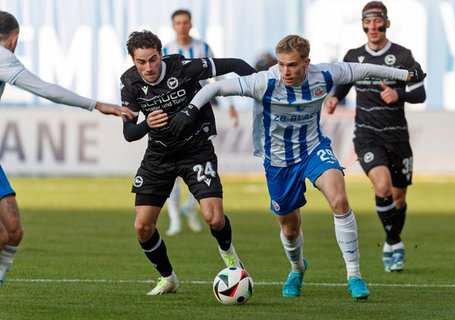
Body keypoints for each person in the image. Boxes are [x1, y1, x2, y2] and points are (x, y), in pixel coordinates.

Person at [169, 34, 425, 300]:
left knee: (339, 199)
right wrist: (190, 109)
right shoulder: (264, 81)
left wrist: (404, 74)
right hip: (278, 161)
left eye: (291, 65)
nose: (285, 71)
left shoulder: (323, 74)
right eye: (281, 64)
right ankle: (297, 268)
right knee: (290, 229)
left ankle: (354, 276)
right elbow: (214, 89)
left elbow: (361, 70)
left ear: (307, 62)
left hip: (314, 149)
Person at [0, 11, 135, 286]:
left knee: (12, 231)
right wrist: (97, 104)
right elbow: (46, 89)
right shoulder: (3, 57)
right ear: (14, 39)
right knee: (11, 232)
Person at [120, 29, 256, 295]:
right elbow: (128, 133)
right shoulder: (130, 83)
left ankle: (231, 258)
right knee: (142, 226)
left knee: (214, 218)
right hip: (159, 155)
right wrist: (146, 124)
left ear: (161, 54)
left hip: (196, 150)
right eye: (141, 62)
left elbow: (236, 65)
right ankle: (168, 278)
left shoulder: (184, 67)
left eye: (153, 59)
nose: (148, 67)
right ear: (133, 61)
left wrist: (263, 83)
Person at [325, 1, 427, 273]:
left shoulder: (403, 56)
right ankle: (393, 243)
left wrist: (399, 94)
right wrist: (334, 98)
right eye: (367, 22)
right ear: (362, 25)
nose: (372, 27)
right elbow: (344, 84)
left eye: (377, 21)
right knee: (382, 187)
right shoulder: (354, 55)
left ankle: (393, 239)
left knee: (399, 197)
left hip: (397, 137)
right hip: (367, 135)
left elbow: (420, 93)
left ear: (387, 24)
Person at [162, 9, 238, 235]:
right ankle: (175, 219)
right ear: (173, 25)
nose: (183, 26)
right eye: (178, 23)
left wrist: (230, 104)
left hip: (202, 113)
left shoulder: (203, 48)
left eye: (186, 22)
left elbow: (219, 75)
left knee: (203, 165)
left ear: (191, 24)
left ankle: (189, 206)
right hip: (174, 114)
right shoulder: (165, 50)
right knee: (171, 170)